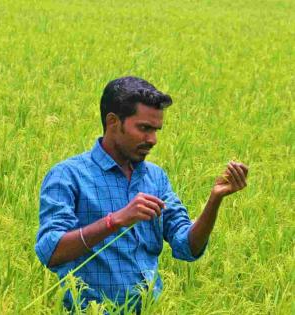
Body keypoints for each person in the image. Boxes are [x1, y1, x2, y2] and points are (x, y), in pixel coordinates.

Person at [35, 76, 248, 312]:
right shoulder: (68, 176)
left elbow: (186, 247)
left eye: (156, 130)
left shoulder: (155, 178)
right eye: (144, 128)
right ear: (113, 122)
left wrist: (215, 199)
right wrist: (115, 220)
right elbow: (50, 251)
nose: (153, 139)